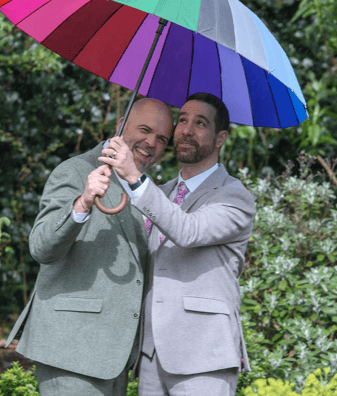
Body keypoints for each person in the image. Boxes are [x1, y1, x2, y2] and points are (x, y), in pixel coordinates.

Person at [5, 98, 174, 396]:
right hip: (71, 350)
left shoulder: (147, 189)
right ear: (121, 123)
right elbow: (42, 247)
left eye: (161, 138)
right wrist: (82, 202)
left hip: (117, 356)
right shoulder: (75, 170)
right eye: (145, 129)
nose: (151, 142)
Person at [100, 92, 256, 396]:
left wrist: (132, 173)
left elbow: (188, 231)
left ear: (220, 137)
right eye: (182, 120)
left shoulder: (234, 196)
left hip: (203, 355)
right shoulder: (160, 192)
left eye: (200, 123)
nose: (186, 129)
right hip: (150, 355)